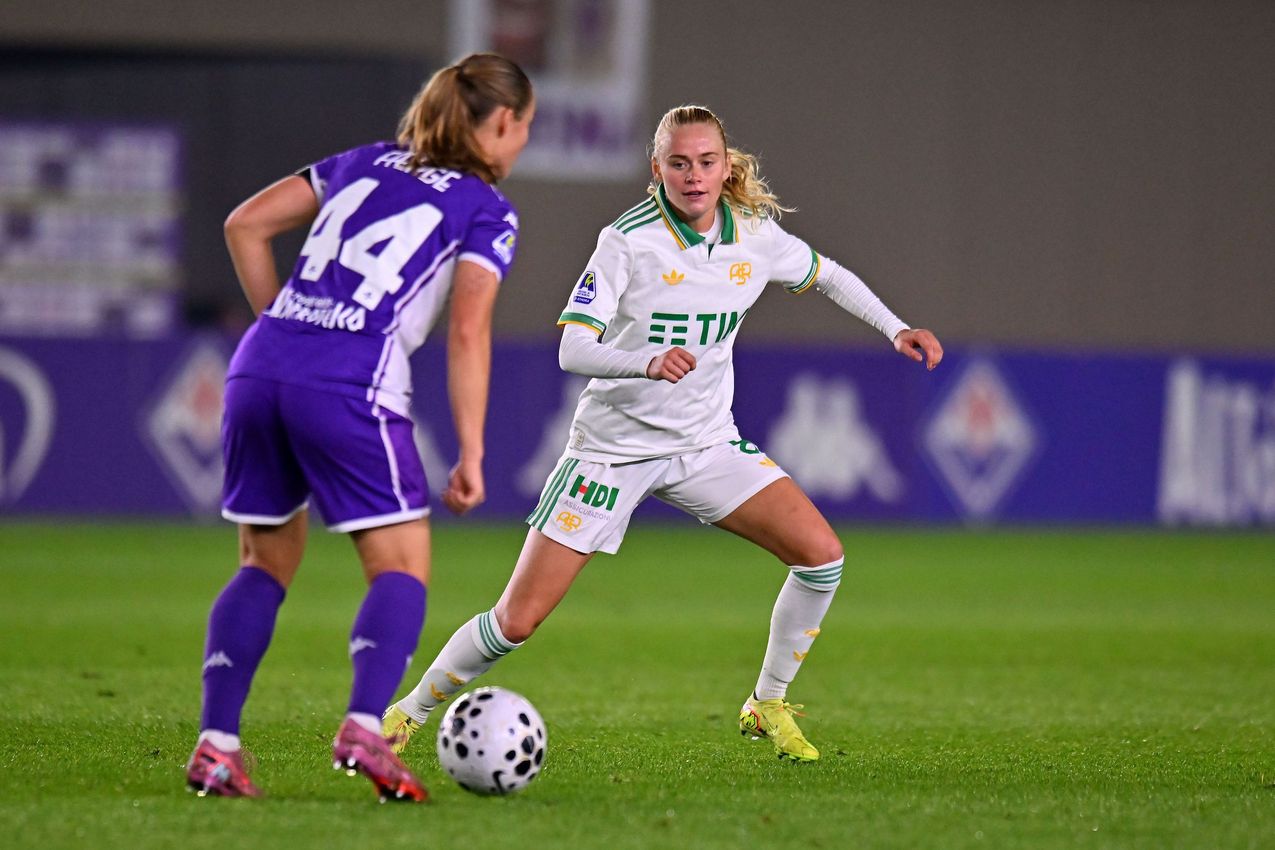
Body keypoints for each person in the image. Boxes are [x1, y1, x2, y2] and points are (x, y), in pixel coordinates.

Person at [384, 104, 942, 763]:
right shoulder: (626, 240)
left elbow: (827, 275)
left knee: (821, 557)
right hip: (610, 453)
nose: (694, 174)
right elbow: (572, 350)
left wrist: (894, 327)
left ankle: (766, 702)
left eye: (706, 161)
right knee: (517, 620)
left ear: (725, 166)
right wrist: (643, 361)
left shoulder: (754, 236)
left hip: (704, 445)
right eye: (678, 162)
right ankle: (404, 713)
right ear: (657, 169)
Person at [184, 53, 535, 801]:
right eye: (524, 130)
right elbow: (468, 335)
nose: (522, 146)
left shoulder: (364, 162)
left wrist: (282, 327)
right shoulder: (484, 208)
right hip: (351, 375)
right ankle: (365, 727)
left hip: (260, 362)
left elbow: (244, 225)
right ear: (500, 123)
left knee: (262, 563)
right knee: (400, 567)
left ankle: (217, 746)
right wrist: (472, 450)